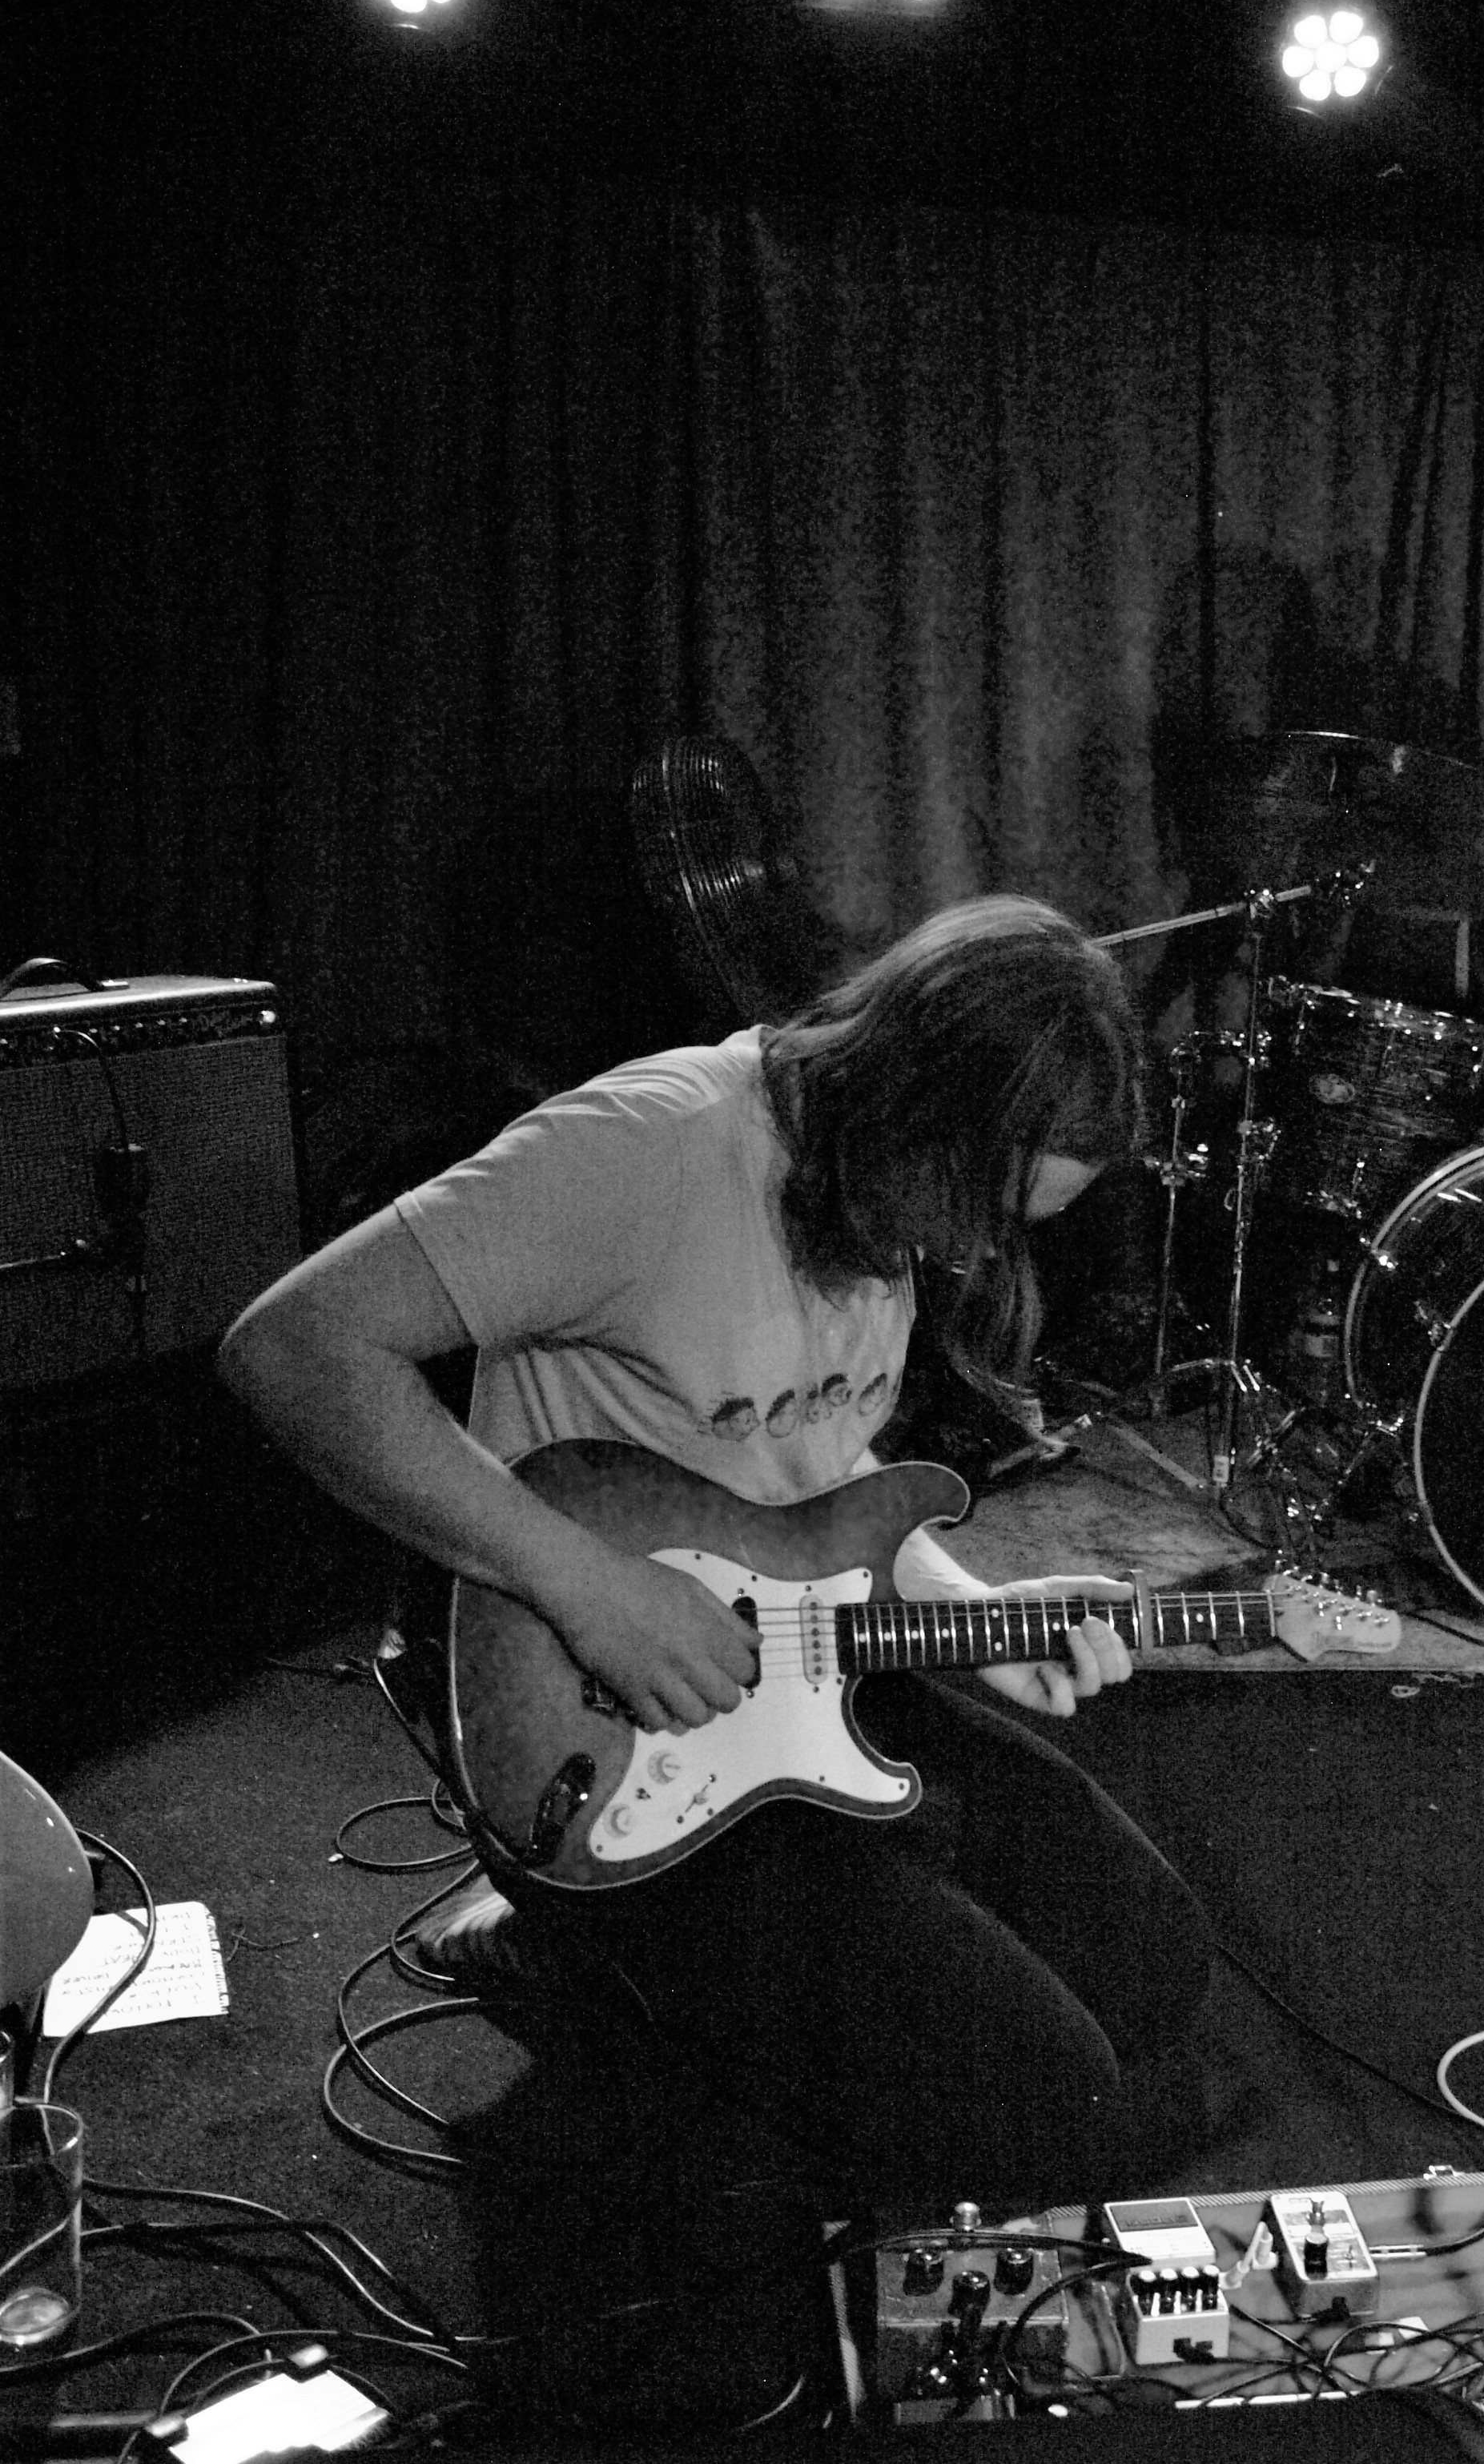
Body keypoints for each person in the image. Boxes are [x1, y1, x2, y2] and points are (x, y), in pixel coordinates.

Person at [219, 896, 1211, 2213]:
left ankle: (759, 1941)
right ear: (910, 1097)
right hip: (598, 1715)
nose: (981, 1249)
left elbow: (814, 1465)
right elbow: (292, 1346)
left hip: (786, 1674)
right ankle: (571, 1937)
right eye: (980, 1201)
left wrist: (983, 1616)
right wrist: (587, 1586)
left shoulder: (871, 1180)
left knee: (1153, 1968)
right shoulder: (646, 1147)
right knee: (1039, 2112)